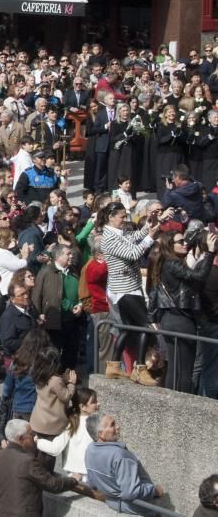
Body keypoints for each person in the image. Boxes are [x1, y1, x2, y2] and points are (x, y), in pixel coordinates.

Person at [98, 201, 164, 379]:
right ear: (111, 217)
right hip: (125, 289)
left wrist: (149, 226)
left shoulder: (117, 233)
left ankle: (113, 365)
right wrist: (150, 237)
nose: (124, 219)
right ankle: (140, 368)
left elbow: (133, 237)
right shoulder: (109, 238)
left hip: (127, 287)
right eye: (121, 217)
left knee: (127, 328)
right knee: (146, 327)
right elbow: (133, 253)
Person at [147, 230, 216, 392]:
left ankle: (174, 403)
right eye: (181, 241)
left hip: (171, 318)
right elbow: (198, 276)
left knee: (176, 367)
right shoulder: (172, 263)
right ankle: (181, 407)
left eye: (186, 240)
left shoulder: (167, 261)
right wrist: (210, 252)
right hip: (180, 319)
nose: (185, 243)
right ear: (170, 246)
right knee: (184, 369)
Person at [0, 419, 81, 516]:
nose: (34, 437)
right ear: (21, 438)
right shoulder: (27, 461)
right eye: (31, 434)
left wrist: (7, 506)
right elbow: (52, 484)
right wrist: (73, 480)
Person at [84, 412, 163, 515]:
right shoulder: (120, 456)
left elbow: (93, 483)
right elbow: (131, 492)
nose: (118, 426)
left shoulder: (90, 450)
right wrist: (154, 491)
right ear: (101, 434)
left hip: (111, 504)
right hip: (137, 509)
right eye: (112, 425)